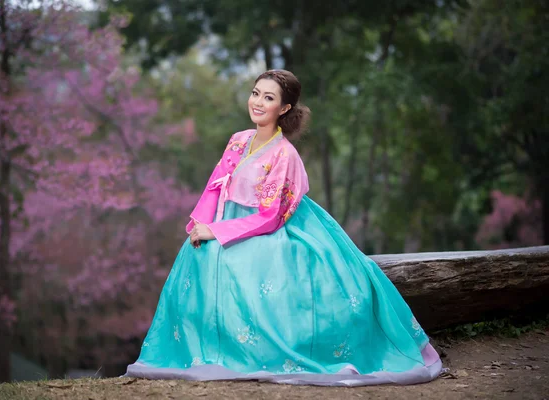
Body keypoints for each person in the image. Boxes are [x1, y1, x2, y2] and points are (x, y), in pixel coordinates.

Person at [125, 69, 442, 386]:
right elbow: (215, 187)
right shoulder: (239, 141)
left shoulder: (283, 154)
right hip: (227, 218)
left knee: (259, 271)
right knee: (198, 256)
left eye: (269, 97)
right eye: (255, 93)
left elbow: (270, 216)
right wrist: (201, 224)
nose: (258, 103)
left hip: (272, 226)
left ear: (285, 108)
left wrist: (219, 232)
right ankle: (203, 348)